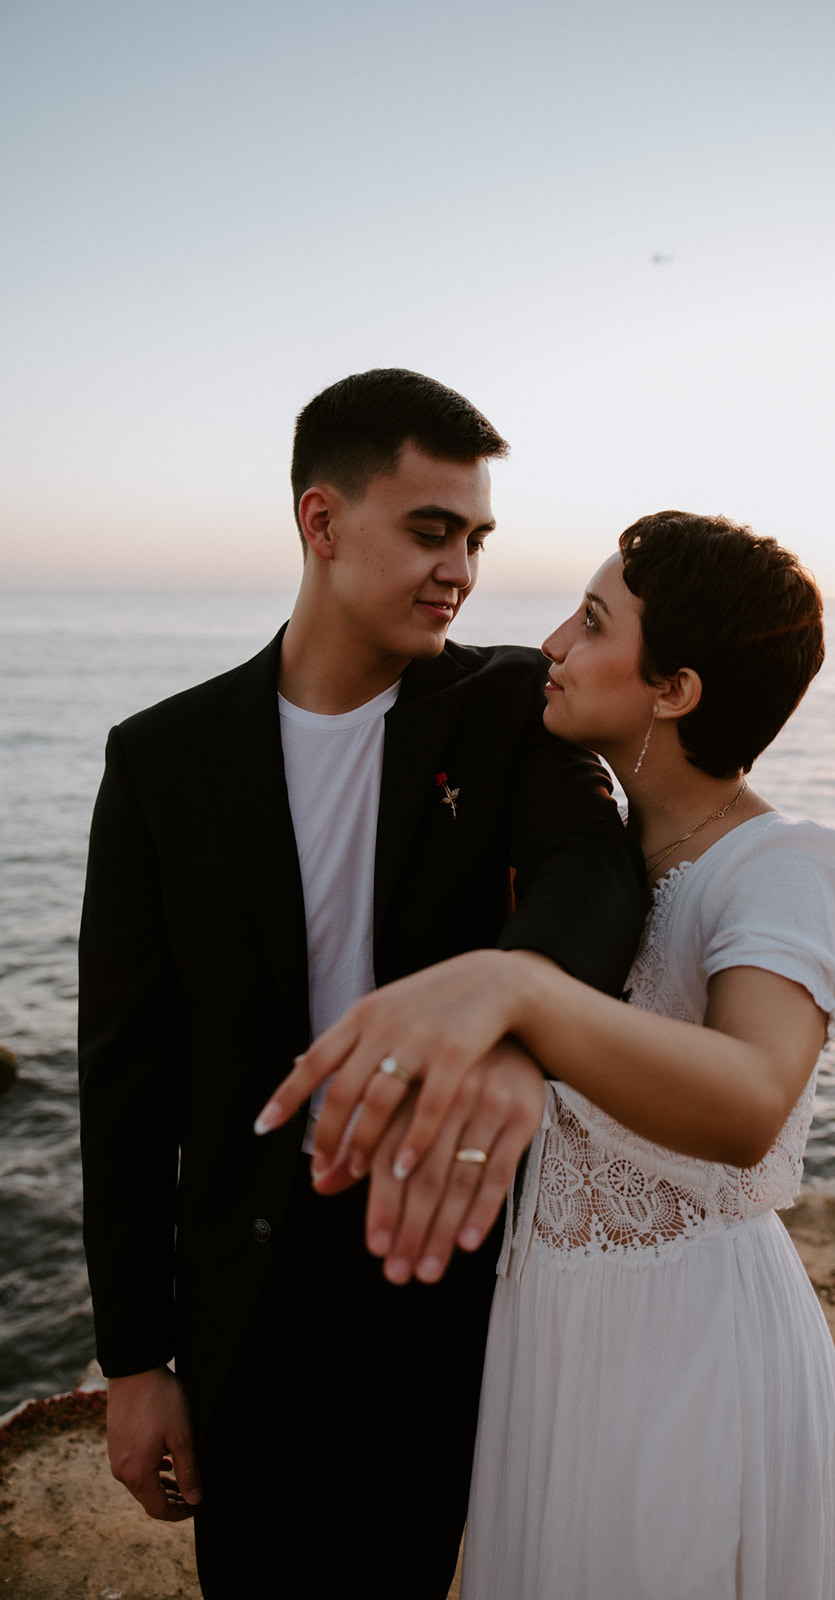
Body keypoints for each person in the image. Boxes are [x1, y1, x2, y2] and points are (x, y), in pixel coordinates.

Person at [77, 369, 646, 1599]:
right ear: (322, 523)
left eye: (477, 539)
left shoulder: (504, 704)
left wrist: (511, 1012)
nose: (462, 572)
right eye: (431, 532)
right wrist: (135, 1359)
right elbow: (125, 1080)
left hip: (468, 1277)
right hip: (255, 1301)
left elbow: (592, 872)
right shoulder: (163, 760)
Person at [263, 510, 835, 1600]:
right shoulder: (590, 857)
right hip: (547, 1326)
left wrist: (521, 988)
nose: (551, 642)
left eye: (592, 622)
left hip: (688, 1341)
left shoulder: (788, 865)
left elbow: (749, 1098)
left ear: (674, 689)